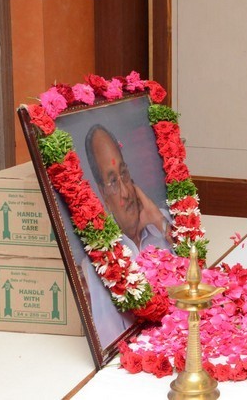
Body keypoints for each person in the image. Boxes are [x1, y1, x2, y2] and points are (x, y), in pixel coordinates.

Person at [81, 123, 174, 344]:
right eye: (113, 181)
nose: (124, 191)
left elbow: (200, 278)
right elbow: (111, 342)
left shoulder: (164, 222)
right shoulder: (99, 262)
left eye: (124, 174)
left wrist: (160, 223)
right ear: (102, 193)